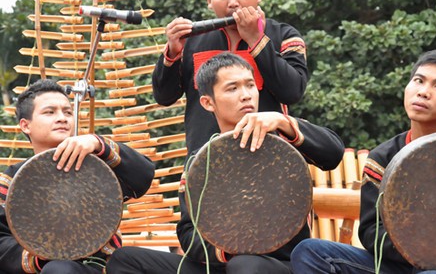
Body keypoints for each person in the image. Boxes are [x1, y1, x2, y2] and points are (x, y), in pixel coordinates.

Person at [106, 52, 345, 273]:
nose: (246, 95)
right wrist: (226, 249)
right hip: (223, 262)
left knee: (246, 266)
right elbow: (188, 233)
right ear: (208, 103)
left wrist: (282, 121)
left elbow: (333, 153)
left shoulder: (284, 140)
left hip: (278, 265)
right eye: (232, 88)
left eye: (250, 85)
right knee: (124, 260)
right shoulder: (201, 160)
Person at [290, 49, 436, 273]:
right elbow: (372, 231)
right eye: (418, 81)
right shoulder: (383, 157)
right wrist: (428, 248)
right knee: (310, 252)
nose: (424, 92)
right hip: (400, 265)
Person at [152, 0, 308, 154]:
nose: (233, 3)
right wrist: (173, 52)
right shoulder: (191, 40)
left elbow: (292, 91)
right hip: (206, 163)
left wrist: (257, 40)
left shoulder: (284, 36)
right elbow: (163, 97)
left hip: (269, 161)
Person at [0, 79, 156, 273]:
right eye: (50, 112)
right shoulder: (11, 181)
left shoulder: (96, 166)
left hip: (98, 267)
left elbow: (143, 176)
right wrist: (42, 254)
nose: (62, 118)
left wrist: (98, 143)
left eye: (67, 112)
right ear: (25, 125)